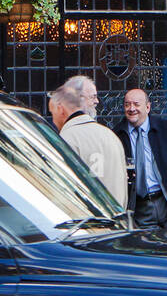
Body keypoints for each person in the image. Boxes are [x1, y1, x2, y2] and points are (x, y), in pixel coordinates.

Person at [114, 87, 167, 237]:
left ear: (148, 107)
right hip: (140, 207)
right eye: (127, 104)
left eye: (136, 104)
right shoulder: (116, 135)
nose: (131, 108)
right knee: (148, 255)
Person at [48, 77, 128, 208]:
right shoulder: (110, 135)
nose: (97, 101)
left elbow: (63, 192)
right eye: (93, 97)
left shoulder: (68, 138)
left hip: (86, 224)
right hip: (117, 223)